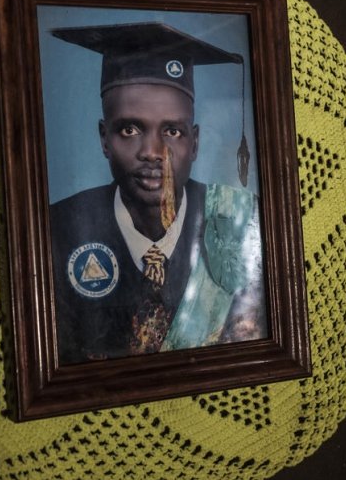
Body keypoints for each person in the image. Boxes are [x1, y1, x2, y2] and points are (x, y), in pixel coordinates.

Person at [48, 22, 267, 364]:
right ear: (104, 138)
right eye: (130, 128)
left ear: (195, 142)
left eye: (172, 131)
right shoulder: (55, 232)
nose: (152, 151)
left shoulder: (241, 220)